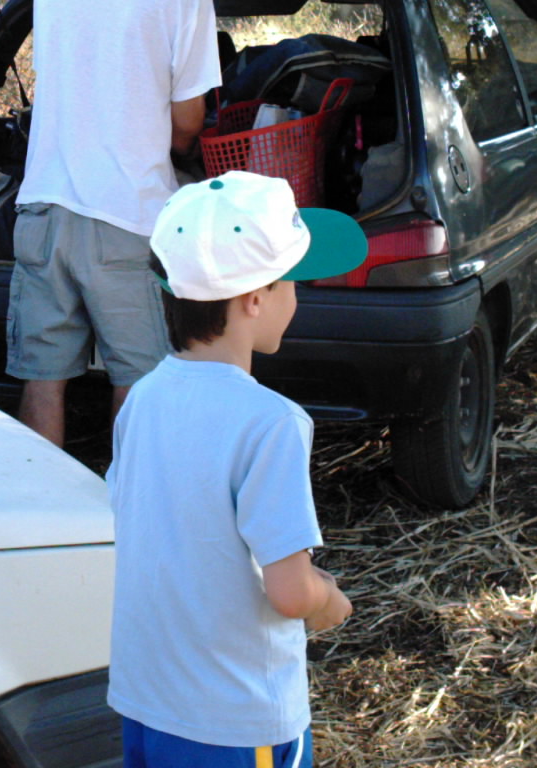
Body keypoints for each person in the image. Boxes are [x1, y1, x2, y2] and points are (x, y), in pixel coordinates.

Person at [107, 171, 369, 767]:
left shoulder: (142, 400)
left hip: (147, 702)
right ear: (255, 298)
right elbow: (290, 592)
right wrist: (329, 600)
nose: (298, 297)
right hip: (234, 718)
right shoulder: (272, 422)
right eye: (293, 282)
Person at [9, 0, 220, 446]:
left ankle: (44, 520)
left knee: (42, 380)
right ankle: (127, 515)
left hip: (43, 209)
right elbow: (189, 121)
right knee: (138, 378)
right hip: (127, 218)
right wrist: (178, 152)